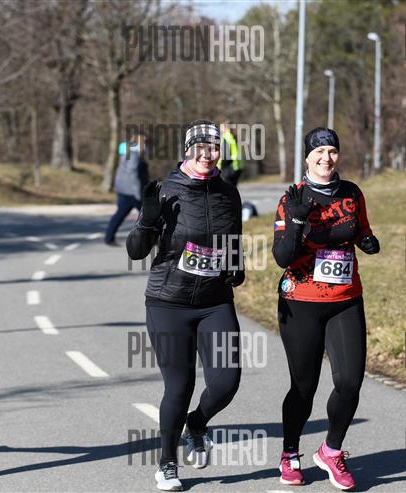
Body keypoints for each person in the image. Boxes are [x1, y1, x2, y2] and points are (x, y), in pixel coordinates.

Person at [127, 120, 245, 491]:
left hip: (215, 302)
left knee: (226, 382)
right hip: (168, 302)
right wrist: (146, 222)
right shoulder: (165, 190)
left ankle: (197, 423)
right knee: (179, 386)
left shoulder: (228, 192)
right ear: (187, 151)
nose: (207, 155)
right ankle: (167, 463)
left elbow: (234, 240)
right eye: (200, 148)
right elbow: (136, 251)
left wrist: (236, 266)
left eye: (214, 148)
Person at [272, 127, 380, 490]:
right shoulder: (293, 197)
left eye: (332, 151)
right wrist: (297, 220)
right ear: (307, 157)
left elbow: (361, 230)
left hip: (345, 299)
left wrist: (368, 241)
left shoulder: (351, 193)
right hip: (301, 301)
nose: (326, 158)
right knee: (304, 386)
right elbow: (282, 257)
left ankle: (331, 451)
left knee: (349, 382)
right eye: (319, 152)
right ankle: (290, 453)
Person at [105, 132, 149, 246]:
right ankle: (155, 240)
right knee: (148, 215)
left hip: (126, 189)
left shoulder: (129, 153)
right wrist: (137, 193)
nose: (146, 144)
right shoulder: (133, 155)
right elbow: (132, 173)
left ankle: (109, 237)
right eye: (145, 142)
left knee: (121, 214)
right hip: (132, 191)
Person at [215, 122, 244, 187]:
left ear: (225, 128)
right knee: (232, 187)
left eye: (222, 127)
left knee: (227, 188)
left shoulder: (226, 137)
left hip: (228, 167)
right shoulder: (234, 137)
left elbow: (225, 154)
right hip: (237, 166)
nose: (220, 129)